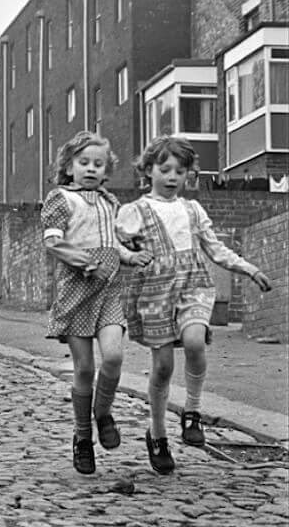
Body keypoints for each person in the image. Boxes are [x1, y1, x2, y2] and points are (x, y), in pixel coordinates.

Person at [117, 136, 272, 475]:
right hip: (156, 291)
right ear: (148, 170)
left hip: (193, 285)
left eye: (180, 171)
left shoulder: (192, 209)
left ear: (189, 174)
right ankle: (157, 434)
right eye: (165, 169)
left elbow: (216, 249)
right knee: (162, 368)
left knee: (194, 342)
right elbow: (114, 246)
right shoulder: (134, 212)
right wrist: (129, 256)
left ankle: (192, 411)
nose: (173, 177)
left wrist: (249, 268)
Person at [41, 131, 152, 475]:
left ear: (107, 170)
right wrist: (85, 263)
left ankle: (103, 413)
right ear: (69, 166)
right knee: (85, 369)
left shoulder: (109, 203)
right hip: (77, 290)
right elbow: (53, 242)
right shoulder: (60, 199)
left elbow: (112, 243)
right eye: (83, 162)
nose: (90, 169)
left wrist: (131, 257)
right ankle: (83, 437)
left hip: (107, 293)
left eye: (98, 164)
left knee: (115, 357)